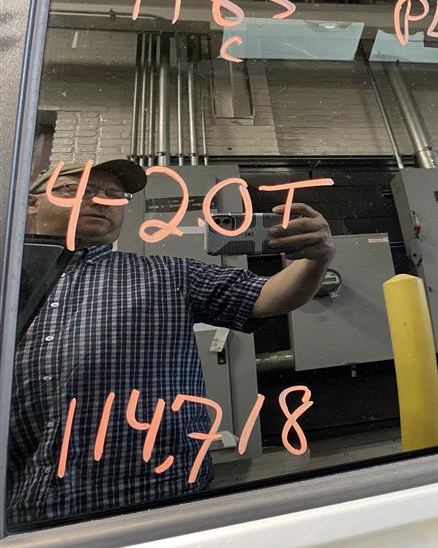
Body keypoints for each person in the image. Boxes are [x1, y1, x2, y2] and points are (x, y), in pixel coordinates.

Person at [7, 159, 334, 526]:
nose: (100, 201)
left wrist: (315, 260)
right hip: (23, 513)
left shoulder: (167, 274)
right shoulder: (10, 286)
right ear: (31, 203)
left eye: (115, 195)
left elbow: (269, 296)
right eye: (76, 189)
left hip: (160, 504)